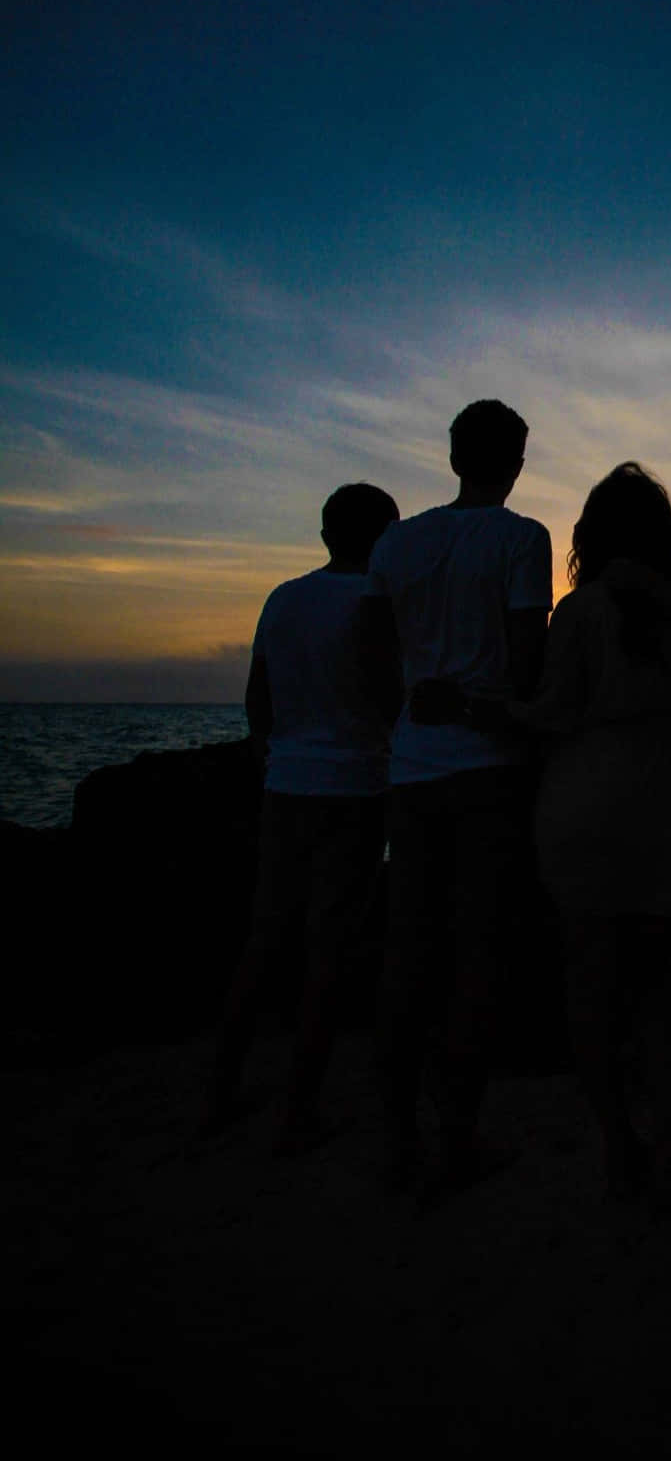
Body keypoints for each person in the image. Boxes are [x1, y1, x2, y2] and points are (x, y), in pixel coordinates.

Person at [503, 462, 671, 1215]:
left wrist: (486, 709)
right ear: (665, 534)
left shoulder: (580, 611)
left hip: (583, 806)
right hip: (669, 809)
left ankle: (617, 1151)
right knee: (660, 988)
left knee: (591, 988)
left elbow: (553, 713)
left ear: (589, 537)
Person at [362, 399, 552, 1190]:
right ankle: (457, 1134)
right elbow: (527, 658)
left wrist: (406, 724)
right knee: (475, 953)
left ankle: (398, 1134)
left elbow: (376, 663)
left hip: (411, 769)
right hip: (487, 767)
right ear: (514, 462)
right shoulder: (521, 538)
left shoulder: (396, 543)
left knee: (408, 950)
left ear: (450, 458)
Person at [203, 481, 400, 1153]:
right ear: (387, 539)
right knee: (327, 950)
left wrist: (272, 756)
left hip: (286, 785)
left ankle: (220, 1092)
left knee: (263, 939)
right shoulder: (381, 603)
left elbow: (257, 698)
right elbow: (385, 698)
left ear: (324, 535)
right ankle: (299, 1108)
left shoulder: (283, 598)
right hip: (355, 786)